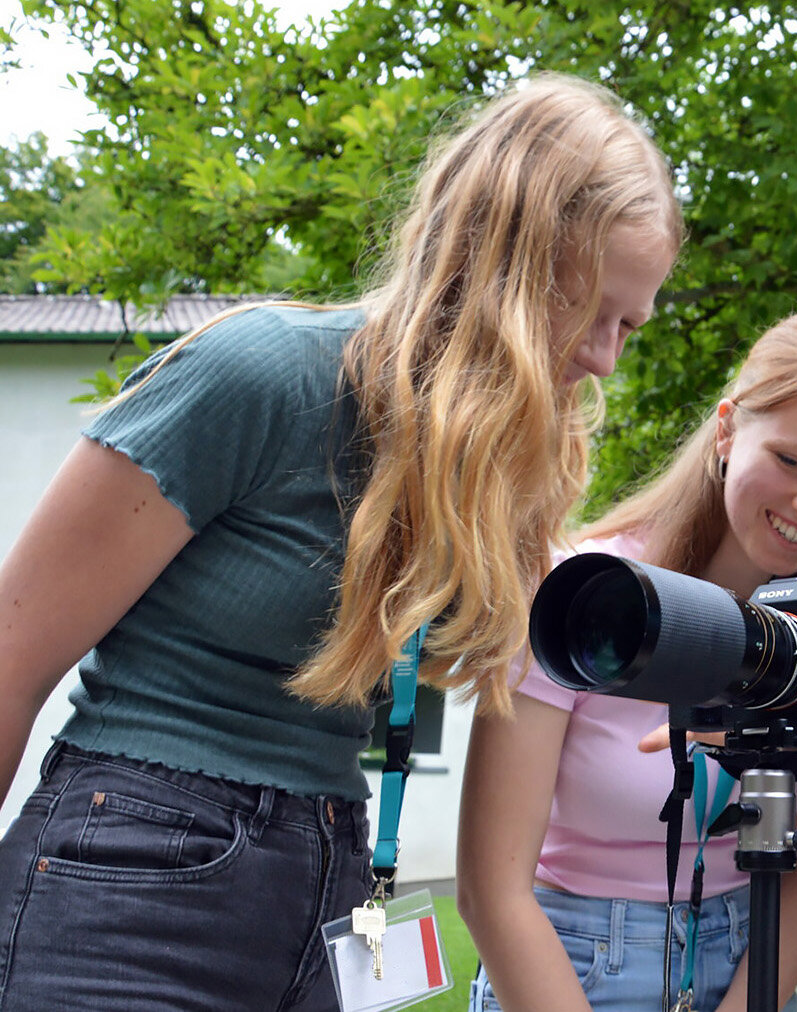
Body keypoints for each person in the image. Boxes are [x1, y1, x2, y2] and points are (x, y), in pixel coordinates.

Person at [0, 75, 680, 1010]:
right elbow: (11, 653)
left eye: (629, 328)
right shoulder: (262, 376)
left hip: (328, 881)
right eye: (589, 309)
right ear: (505, 264)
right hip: (132, 874)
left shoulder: (493, 479)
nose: (604, 357)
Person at [456, 305, 797, 1012]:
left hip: (749, 970)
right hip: (568, 969)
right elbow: (492, 887)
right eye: (790, 459)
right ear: (727, 429)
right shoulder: (583, 596)